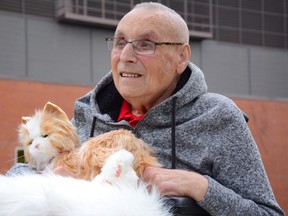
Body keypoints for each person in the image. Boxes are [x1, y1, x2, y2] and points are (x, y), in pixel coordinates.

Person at [7, 2, 284, 215]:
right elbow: (17, 176)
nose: (126, 57)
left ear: (181, 57)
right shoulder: (88, 113)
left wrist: (201, 188)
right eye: (120, 43)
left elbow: (266, 213)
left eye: (145, 45)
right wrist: (50, 176)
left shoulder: (218, 116)